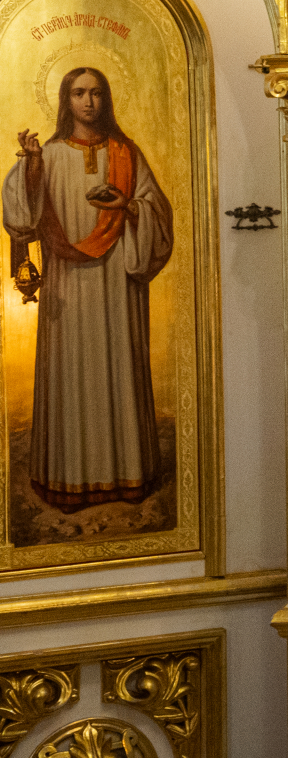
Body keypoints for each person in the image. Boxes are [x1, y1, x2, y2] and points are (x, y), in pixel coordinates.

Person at [3, 69, 172, 512]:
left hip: (118, 283)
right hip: (66, 286)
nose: (89, 102)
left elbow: (156, 210)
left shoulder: (126, 153)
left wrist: (128, 207)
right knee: (71, 370)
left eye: (96, 93)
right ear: (66, 101)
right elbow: (22, 216)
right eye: (79, 93)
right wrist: (32, 165)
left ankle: (127, 474)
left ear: (107, 99)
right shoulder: (51, 155)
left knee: (118, 363)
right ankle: (68, 478)